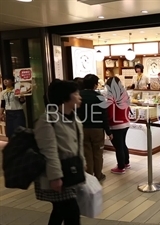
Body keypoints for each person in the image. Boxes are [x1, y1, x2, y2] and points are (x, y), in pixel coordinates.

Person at [34, 79, 85, 225]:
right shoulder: (47, 120)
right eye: (75, 93)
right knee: (72, 212)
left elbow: (77, 146)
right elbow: (49, 151)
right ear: (65, 97)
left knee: (60, 211)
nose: (79, 96)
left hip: (71, 171)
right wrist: (55, 177)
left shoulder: (73, 117)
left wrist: (82, 166)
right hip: (57, 174)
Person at [77, 74, 113, 182]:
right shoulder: (100, 97)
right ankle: (98, 175)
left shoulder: (78, 95)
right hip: (97, 129)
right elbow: (104, 116)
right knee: (98, 153)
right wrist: (108, 131)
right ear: (94, 85)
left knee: (87, 153)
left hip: (83, 128)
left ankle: (89, 177)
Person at [105, 76, 131, 174]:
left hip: (116, 125)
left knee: (118, 146)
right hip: (126, 122)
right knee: (122, 144)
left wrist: (106, 122)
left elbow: (110, 114)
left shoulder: (111, 97)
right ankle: (126, 162)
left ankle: (120, 167)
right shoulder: (124, 94)